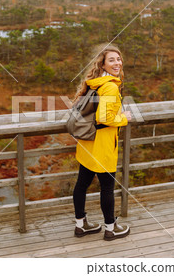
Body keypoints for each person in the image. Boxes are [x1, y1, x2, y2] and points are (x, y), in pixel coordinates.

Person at [72, 44, 131, 241]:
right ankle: (110, 228)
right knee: (107, 187)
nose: (117, 63)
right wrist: (124, 118)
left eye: (119, 59)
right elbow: (105, 118)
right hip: (102, 145)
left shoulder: (94, 83)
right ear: (103, 64)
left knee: (82, 184)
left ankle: (81, 225)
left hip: (87, 143)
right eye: (112, 60)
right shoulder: (110, 87)